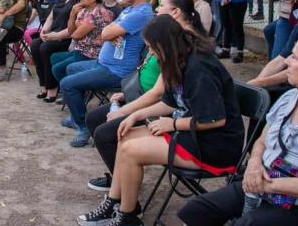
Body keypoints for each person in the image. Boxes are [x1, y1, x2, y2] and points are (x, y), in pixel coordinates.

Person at [179, 33, 298, 226]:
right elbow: (261, 141)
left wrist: (271, 185)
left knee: (247, 224)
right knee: (197, 210)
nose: (287, 62)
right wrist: (254, 164)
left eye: (294, 57)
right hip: (263, 183)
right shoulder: (290, 98)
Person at [77, 15, 244, 226]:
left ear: (166, 44)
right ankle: (115, 201)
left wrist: (172, 124)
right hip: (192, 132)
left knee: (131, 151)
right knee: (124, 134)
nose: (152, 54)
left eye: (152, 48)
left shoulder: (199, 66)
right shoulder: (179, 58)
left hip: (215, 144)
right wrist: (135, 115)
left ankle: (127, 218)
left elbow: (214, 120)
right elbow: (170, 104)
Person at [84, 0, 208, 192]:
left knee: (106, 132)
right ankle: (122, 181)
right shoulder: (168, 35)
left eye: (161, 5)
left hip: (163, 108)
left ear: (175, 12)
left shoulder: (181, 45)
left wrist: (128, 111)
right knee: (97, 120)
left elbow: (161, 93)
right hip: (147, 98)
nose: (156, 8)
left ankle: (124, 186)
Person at [61, 0, 154, 147]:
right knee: (71, 68)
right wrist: (112, 32)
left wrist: (112, 33)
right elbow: (107, 31)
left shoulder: (142, 13)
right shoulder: (129, 10)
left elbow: (106, 32)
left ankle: (83, 127)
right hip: (104, 63)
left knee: (67, 84)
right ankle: (77, 116)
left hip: (117, 71)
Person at [31, 0, 84, 100]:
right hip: (54, 33)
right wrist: (45, 30)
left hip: (67, 37)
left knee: (45, 48)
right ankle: (43, 84)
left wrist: (56, 36)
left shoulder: (81, 0)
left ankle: (52, 87)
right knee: (35, 44)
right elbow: (52, 15)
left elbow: (76, 28)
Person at [51, 0, 114, 85]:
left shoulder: (98, 13)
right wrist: (72, 15)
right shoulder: (85, 11)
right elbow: (71, 31)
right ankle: (68, 86)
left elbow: (75, 36)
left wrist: (78, 25)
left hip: (91, 53)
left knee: (57, 69)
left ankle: (71, 87)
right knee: (55, 57)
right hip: (81, 49)